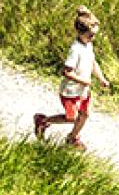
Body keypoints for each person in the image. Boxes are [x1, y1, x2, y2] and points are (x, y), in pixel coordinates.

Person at [33, 8, 111, 150]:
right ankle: (42, 120)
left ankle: (72, 138)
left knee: (85, 114)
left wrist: (101, 78)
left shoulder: (88, 45)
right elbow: (66, 72)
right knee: (72, 118)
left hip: (83, 91)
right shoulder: (75, 50)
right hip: (70, 92)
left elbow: (93, 62)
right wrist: (84, 81)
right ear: (80, 33)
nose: (93, 38)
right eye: (90, 35)